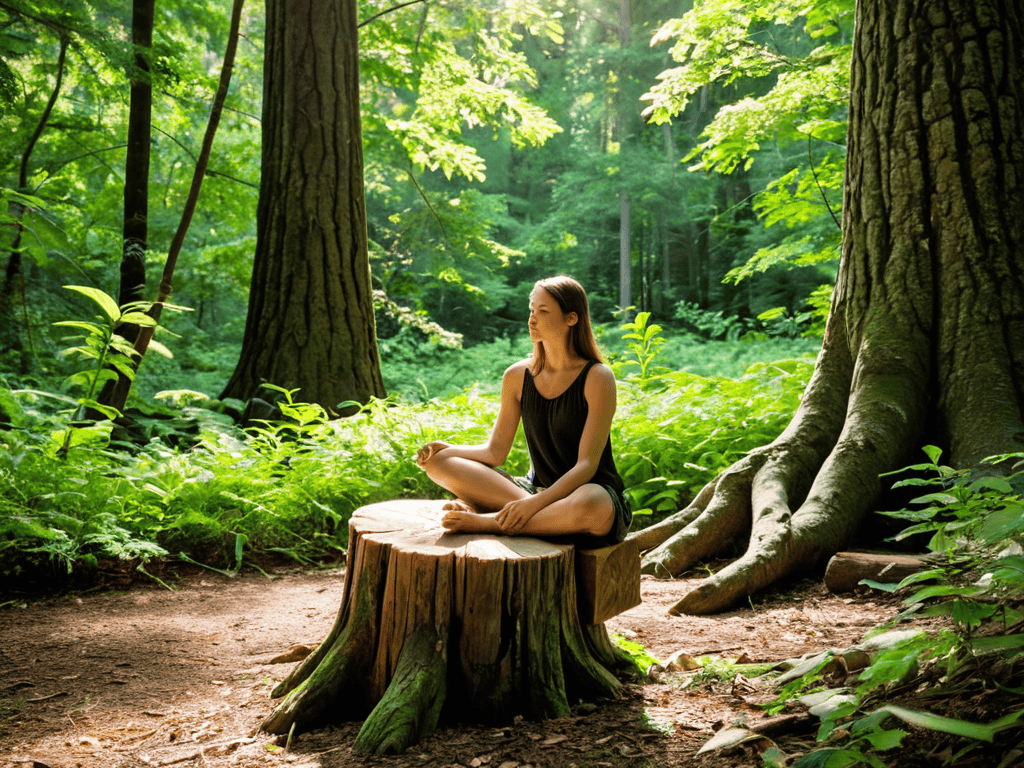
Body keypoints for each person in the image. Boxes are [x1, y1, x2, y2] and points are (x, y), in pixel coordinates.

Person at [416, 275, 631, 545]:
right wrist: (447, 449)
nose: (532, 319)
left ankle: (493, 522)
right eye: (531, 310)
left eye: (543, 311)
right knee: (439, 465)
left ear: (571, 318)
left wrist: (532, 506)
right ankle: (540, 519)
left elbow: (587, 466)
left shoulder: (598, 377)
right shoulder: (517, 375)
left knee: (593, 503)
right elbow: (495, 452)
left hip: (587, 495)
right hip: (530, 492)